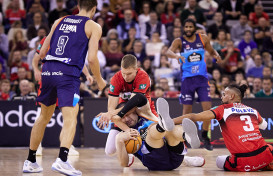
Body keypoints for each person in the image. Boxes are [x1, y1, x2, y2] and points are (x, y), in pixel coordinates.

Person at [23, 0, 106, 175]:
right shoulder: (93, 26)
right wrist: (99, 80)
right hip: (67, 75)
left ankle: (30, 161)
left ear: (78, 5)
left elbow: (43, 51)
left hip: (48, 71)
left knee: (43, 117)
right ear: (94, 9)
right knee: (70, 117)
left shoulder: (59, 20)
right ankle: (62, 159)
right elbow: (92, 59)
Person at [170, 84, 273, 172]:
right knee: (270, 148)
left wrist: (171, 121)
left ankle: (265, 166)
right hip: (264, 155)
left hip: (243, 163)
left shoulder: (222, 109)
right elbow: (264, 126)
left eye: (224, 94)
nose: (221, 97)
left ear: (231, 96)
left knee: (219, 160)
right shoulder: (252, 110)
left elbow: (194, 116)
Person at [166, 18, 222, 151]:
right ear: (183, 28)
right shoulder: (179, 41)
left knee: (207, 109)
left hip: (202, 79)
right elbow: (168, 52)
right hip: (187, 80)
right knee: (186, 111)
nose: (189, 29)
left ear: (194, 28)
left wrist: (216, 54)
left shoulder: (202, 38)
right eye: (186, 27)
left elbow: (211, 50)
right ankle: (185, 137)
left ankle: (205, 136)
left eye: (191, 27)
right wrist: (176, 56)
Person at [111, 97, 204, 170]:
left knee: (172, 129)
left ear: (133, 110)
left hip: (176, 159)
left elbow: (140, 97)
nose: (126, 119)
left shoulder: (146, 114)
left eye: (127, 114)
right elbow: (124, 164)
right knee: (152, 133)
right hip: (154, 162)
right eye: (122, 118)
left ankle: (185, 135)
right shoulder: (122, 134)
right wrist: (119, 141)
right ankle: (162, 126)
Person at [97, 54, 159, 131]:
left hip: (142, 110)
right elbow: (111, 108)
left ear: (136, 69)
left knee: (158, 134)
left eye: (129, 74)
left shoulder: (143, 76)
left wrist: (112, 114)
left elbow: (133, 105)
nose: (126, 77)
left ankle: (160, 124)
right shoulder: (116, 78)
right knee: (115, 140)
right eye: (123, 73)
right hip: (122, 113)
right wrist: (112, 115)